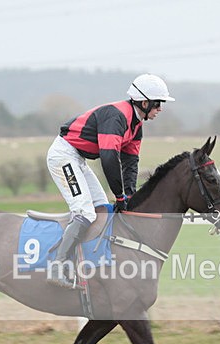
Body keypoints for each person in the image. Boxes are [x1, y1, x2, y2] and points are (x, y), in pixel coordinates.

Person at [45, 73, 174, 288]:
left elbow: (130, 162)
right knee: (85, 211)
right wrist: (119, 194)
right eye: (158, 103)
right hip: (64, 155)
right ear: (145, 102)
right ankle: (57, 267)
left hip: (78, 158)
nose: (160, 108)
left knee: (101, 208)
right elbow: (109, 159)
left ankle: (90, 263)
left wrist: (129, 196)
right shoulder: (117, 118)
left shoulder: (136, 126)